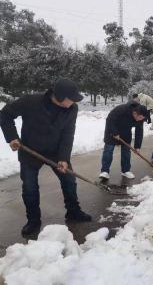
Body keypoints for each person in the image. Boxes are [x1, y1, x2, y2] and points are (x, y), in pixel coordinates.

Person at [0, 79, 92, 236]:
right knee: (30, 187)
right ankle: (33, 220)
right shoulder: (31, 101)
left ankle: (73, 211)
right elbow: (5, 115)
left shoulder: (72, 109)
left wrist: (63, 158)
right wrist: (12, 137)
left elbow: (68, 134)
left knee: (69, 180)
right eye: (72, 98)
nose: (75, 102)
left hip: (56, 152)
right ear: (60, 96)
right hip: (30, 150)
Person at [99, 102, 147, 180]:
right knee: (108, 150)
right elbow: (110, 120)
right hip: (112, 131)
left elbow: (139, 131)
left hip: (126, 132)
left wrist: (137, 146)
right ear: (135, 113)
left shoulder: (141, 118)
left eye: (142, 118)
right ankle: (104, 171)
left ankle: (125, 170)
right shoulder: (121, 110)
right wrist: (115, 132)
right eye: (140, 117)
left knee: (126, 150)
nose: (141, 120)